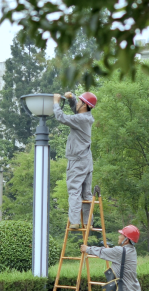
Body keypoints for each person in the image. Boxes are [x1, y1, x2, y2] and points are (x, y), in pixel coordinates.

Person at [53, 91, 97, 229]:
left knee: (74, 191)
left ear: (84, 105)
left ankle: (75, 221)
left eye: (79, 101)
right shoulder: (86, 117)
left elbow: (61, 117)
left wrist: (56, 103)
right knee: (86, 194)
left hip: (77, 161)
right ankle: (88, 222)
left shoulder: (81, 120)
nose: (77, 103)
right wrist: (71, 99)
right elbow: (75, 110)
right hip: (86, 160)